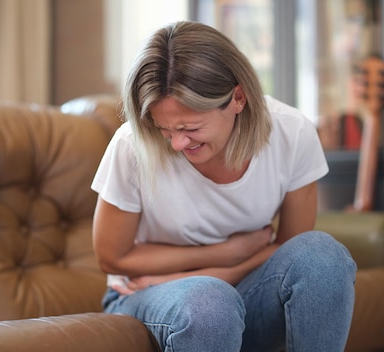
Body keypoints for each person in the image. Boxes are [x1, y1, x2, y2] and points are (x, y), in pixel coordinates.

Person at [91, 20, 356, 352]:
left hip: (245, 288)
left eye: (190, 127)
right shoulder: (132, 145)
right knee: (209, 304)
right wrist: (226, 253)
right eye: (164, 129)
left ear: (238, 98)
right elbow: (112, 258)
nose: (176, 144)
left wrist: (228, 267)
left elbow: (291, 248)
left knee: (322, 257)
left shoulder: (291, 133)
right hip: (147, 295)